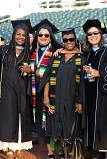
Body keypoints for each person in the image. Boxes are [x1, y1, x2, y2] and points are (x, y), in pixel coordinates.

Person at [39, 27, 85, 158]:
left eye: (71, 39)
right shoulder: (56, 56)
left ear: (76, 40)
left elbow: (83, 82)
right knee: (58, 131)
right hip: (56, 100)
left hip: (72, 101)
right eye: (66, 39)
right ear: (62, 41)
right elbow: (47, 77)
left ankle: (71, 155)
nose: (69, 42)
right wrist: (46, 97)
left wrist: (81, 102)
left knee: (71, 131)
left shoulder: (81, 58)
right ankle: (64, 155)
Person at [0, 19, 33, 158]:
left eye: (24, 35)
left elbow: (35, 72)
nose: (20, 37)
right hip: (7, 92)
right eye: (18, 34)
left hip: (22, 92)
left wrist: (30, 70)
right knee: (7, 119)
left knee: (21, 119)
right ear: (13, 34)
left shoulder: (29, 53)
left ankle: (18, 148)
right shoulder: (3, 51)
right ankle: (8, 148)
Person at [81, 19, 107, 159]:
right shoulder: (88, 54)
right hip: (90, 96)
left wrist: (100, 74)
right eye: (89, 34)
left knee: (104, 128)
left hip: (104, 97)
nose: (93, 36)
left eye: (96, 33)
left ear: (101, 35)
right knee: (92, 127)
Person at [29, 18, 63, 159]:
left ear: (51, 37)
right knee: (42, 124)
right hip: (35, 93)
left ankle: (60, 151)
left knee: (54, 123)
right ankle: (49, 151)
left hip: (52, 94)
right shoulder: (31, 53)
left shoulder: (57, 52)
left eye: (46, 35)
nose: (43, 37)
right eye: (40, 35)